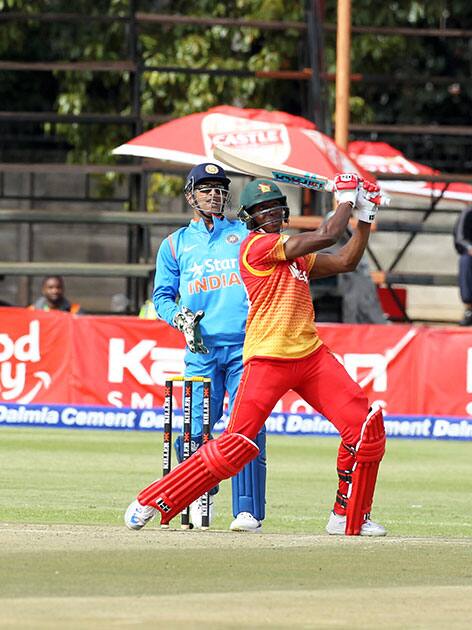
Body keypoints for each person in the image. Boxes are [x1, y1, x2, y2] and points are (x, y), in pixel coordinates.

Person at [124, 173, 387, 537]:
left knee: (364, 431)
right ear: (250, 218)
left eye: (277, 208)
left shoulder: (296, 255)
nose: (272, 215)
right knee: (237, 444)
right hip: (267, 357)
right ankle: (153, 499)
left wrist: (367, 216)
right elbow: (326, 235)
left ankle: (347, 515)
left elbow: (344, 260)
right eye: (263, 211)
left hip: (310, 356)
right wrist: (345, 200)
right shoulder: (254, 248)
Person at [150, 162, 267, 532]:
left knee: (247, 428)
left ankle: (247, 510)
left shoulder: (245, 234)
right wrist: (179, 318)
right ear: (190, 195)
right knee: (196, 429)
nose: (214, 195)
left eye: (219, 188)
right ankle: (201, 497)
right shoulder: (175, 245)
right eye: (205, 188)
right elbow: (162, 297)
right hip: (200, 350)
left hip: (244, 348)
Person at [453, 204, 472, 326]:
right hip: (470, 255)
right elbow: (460, 238)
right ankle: (469, 309)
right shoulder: (468, 212)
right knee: (465, 261)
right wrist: (470, 247)